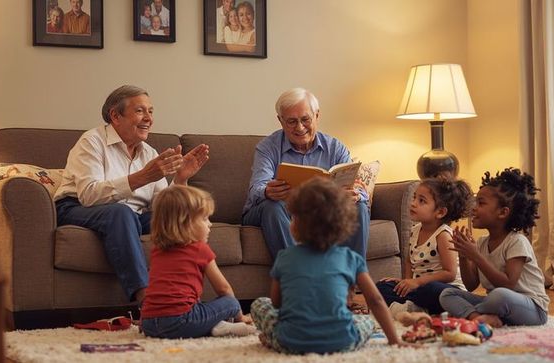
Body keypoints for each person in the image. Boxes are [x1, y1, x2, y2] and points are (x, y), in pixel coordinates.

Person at [54, 85, 209, 303]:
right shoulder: (92, 142)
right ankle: (146, 300)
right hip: (76, 208)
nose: (148, 118)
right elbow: (89, 195)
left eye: (151, 112)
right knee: (121, 213)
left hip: (130, 216)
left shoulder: (149, 153)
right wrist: (144, 176)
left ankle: (187, 299)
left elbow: (163, 208)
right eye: (140, 111)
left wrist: (181, 178)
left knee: (178, 219)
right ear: (115, 116)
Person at [251, 178, 401, 354]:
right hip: (342, 341)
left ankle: (272, 338)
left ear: (296, 225)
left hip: (292, 343)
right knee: (365, 322)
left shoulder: (285, 257)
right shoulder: (351, 258)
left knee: (260, 304)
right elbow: (375, 300)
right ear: (342, 225)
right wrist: (394, 340)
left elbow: (277, 302)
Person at [242, 87, 370, 260]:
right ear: (280, 121)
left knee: (358, 207)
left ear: (317, 116)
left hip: (321, 211)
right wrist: (267, 191)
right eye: (291, 121)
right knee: (272, 206)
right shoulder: (267, 148)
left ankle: (350, 281)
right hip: (278, 211)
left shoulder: (336, 148)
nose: (300, 127)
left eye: (305, 119)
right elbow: (256, 188)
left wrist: (356, 195)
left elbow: (359, 190)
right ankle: (297, 276)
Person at [140, 185, 256, 338]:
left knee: (198, 306)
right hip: (180, 322)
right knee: (230, 302)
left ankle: (219, 326)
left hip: (149, 324)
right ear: (184, 222)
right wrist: (240, 317)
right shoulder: (200, 249)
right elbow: (224, 289)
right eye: (204, 218)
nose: (210, 224)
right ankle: (227, 325)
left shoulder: (158, 250)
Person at [440, 168, 549, 327]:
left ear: (503, 212)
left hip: (532, 308)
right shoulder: (482, 243)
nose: (474, 208)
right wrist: (464, 255)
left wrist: (476, 255)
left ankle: (469, 314)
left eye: (481, 203)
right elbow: (470, 285)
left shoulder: (517, 241)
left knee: (499, 295)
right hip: (497, 305)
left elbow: (508, 284)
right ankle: (478, 317)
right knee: (447, 293)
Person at [376, 177, 473, 317]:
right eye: (414, 198)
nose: (413, 203)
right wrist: (406, 282)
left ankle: (416, 308)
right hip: (419, 288)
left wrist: (417, 282)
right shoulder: (415, 230)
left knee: (429, 290)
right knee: (382, 286)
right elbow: (410, 261)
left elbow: (449, 273)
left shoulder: (443, 235)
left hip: (446, 290)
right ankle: (416, 308)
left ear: (440, 212)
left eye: (421, 201)